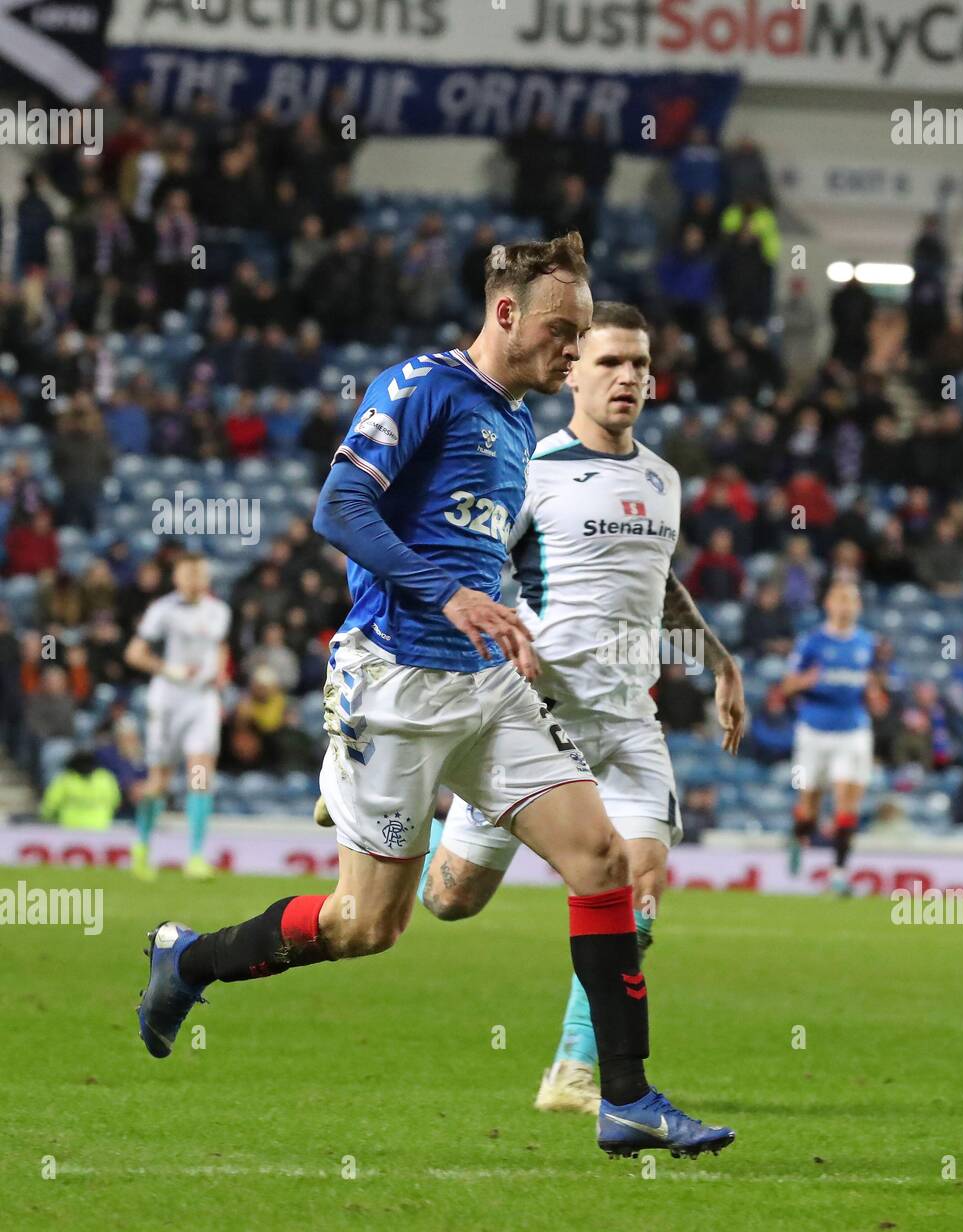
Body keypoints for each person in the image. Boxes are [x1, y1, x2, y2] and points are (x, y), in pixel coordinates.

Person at [136, 234, 735, 1161]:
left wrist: (502, 608)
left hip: (488, 686)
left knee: (603, 861)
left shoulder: (517, 427)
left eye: (585, 336)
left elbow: (478, 546)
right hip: (393, 687)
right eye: (563, 333)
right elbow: (338, 508)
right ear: (505, 314)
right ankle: (187, 958)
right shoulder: (420, 387)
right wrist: (450, 595)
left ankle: (624, 1098)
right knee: (366, 926)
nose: (572, 354)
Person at [411, 302, 745, 1115]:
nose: (627, 376)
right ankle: (393, 801)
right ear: (571, 373)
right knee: (450, 900)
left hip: (630, 721)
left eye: (638, 363)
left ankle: (574, 1071)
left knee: (639, 884)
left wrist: (719, 660)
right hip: (533, 719)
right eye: (608, 362)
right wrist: (506, 629)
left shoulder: (663, 480)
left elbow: (659, 583)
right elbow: (469, 566)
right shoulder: (531, 469)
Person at [124, 554, 231, 879]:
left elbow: (220, 646)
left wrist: (220, 673)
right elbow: (134, 654)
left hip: (202, 701)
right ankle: (141, 846)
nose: (196, 580)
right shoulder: (163, 610)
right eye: (189, 574)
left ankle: (195, 856)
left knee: (200, 774)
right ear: (177, 578)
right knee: (160, 779)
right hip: (169, 700)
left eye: (200, 574)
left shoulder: (219, 611)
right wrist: (168, 668)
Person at [782, 580, 874, 897]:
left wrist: (875, 693)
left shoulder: (867, 643)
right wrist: (805, 680)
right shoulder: (812, 643)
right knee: (810, 804)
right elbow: (786, 686)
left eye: (852, 599)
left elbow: (873, 682)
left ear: (858, 606)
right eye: (841, 599)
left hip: (853, 730)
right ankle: (799, 836)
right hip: (814, 731)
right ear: (829, 604)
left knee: (847, 800)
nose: (846, 605)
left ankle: (839, 874)